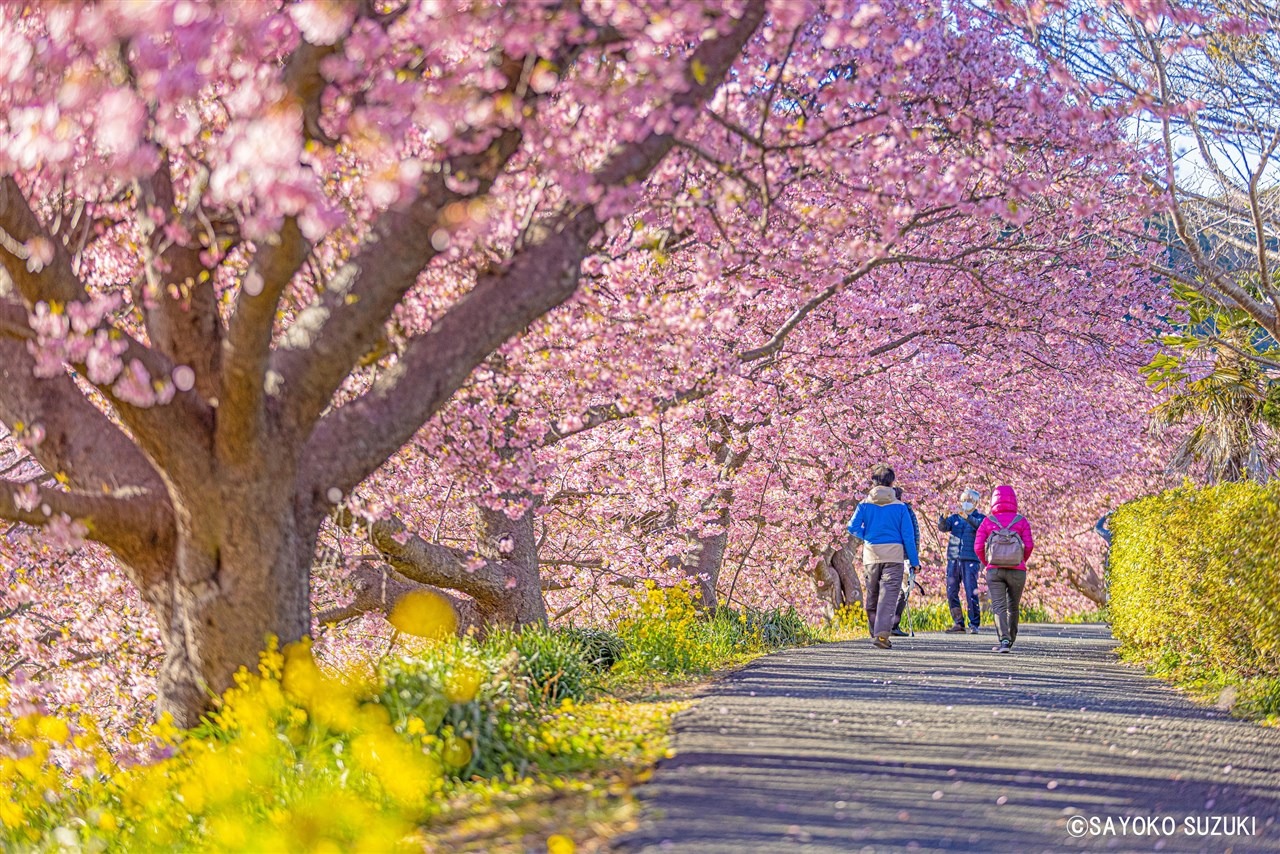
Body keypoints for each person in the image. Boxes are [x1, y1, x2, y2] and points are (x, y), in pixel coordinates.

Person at [847, 464, 921, 649]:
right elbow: (908, 537)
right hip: (894, 557)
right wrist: (914, 562)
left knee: (872, 594)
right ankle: (881, 636)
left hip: (871, 555)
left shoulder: (864, 504)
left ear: (873, 482)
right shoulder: (900, 507)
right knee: (888, 596)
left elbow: (852, 527)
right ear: (892, 482)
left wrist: (867, 536)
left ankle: (875, 632)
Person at [974, 485, 1034, 653]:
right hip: (1017, 570)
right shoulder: (1021, 521)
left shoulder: (988, 521)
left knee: (999, 606)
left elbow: (978, 546)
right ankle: (1011, 640)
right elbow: (1029, 545)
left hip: (995, 570)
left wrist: (988, 563)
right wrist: (1021, 560)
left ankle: (1004, 641)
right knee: (1013, 606)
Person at [937, 488, 985, 634]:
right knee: (951, 591)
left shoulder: (980, 518)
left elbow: (980, 527)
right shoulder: (955, 518)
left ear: (976, 503)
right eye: (963, 500)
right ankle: (958, 622)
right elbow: (943, 527)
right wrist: (943, 517)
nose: (965, 503)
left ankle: (974, 623)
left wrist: (967, 517)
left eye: (969, 500)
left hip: (970, 559)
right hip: (953, 558)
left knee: (971, 591)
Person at [890, 486, 921, 637]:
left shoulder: (901, 511)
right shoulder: (905, 510)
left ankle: (891, 624)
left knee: (900, 589)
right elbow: (914, 536)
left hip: (893, 555)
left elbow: (912, 536)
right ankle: (893, 624)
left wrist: (913, 559)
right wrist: (914, 560)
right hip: (901, 556)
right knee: (903, 589)